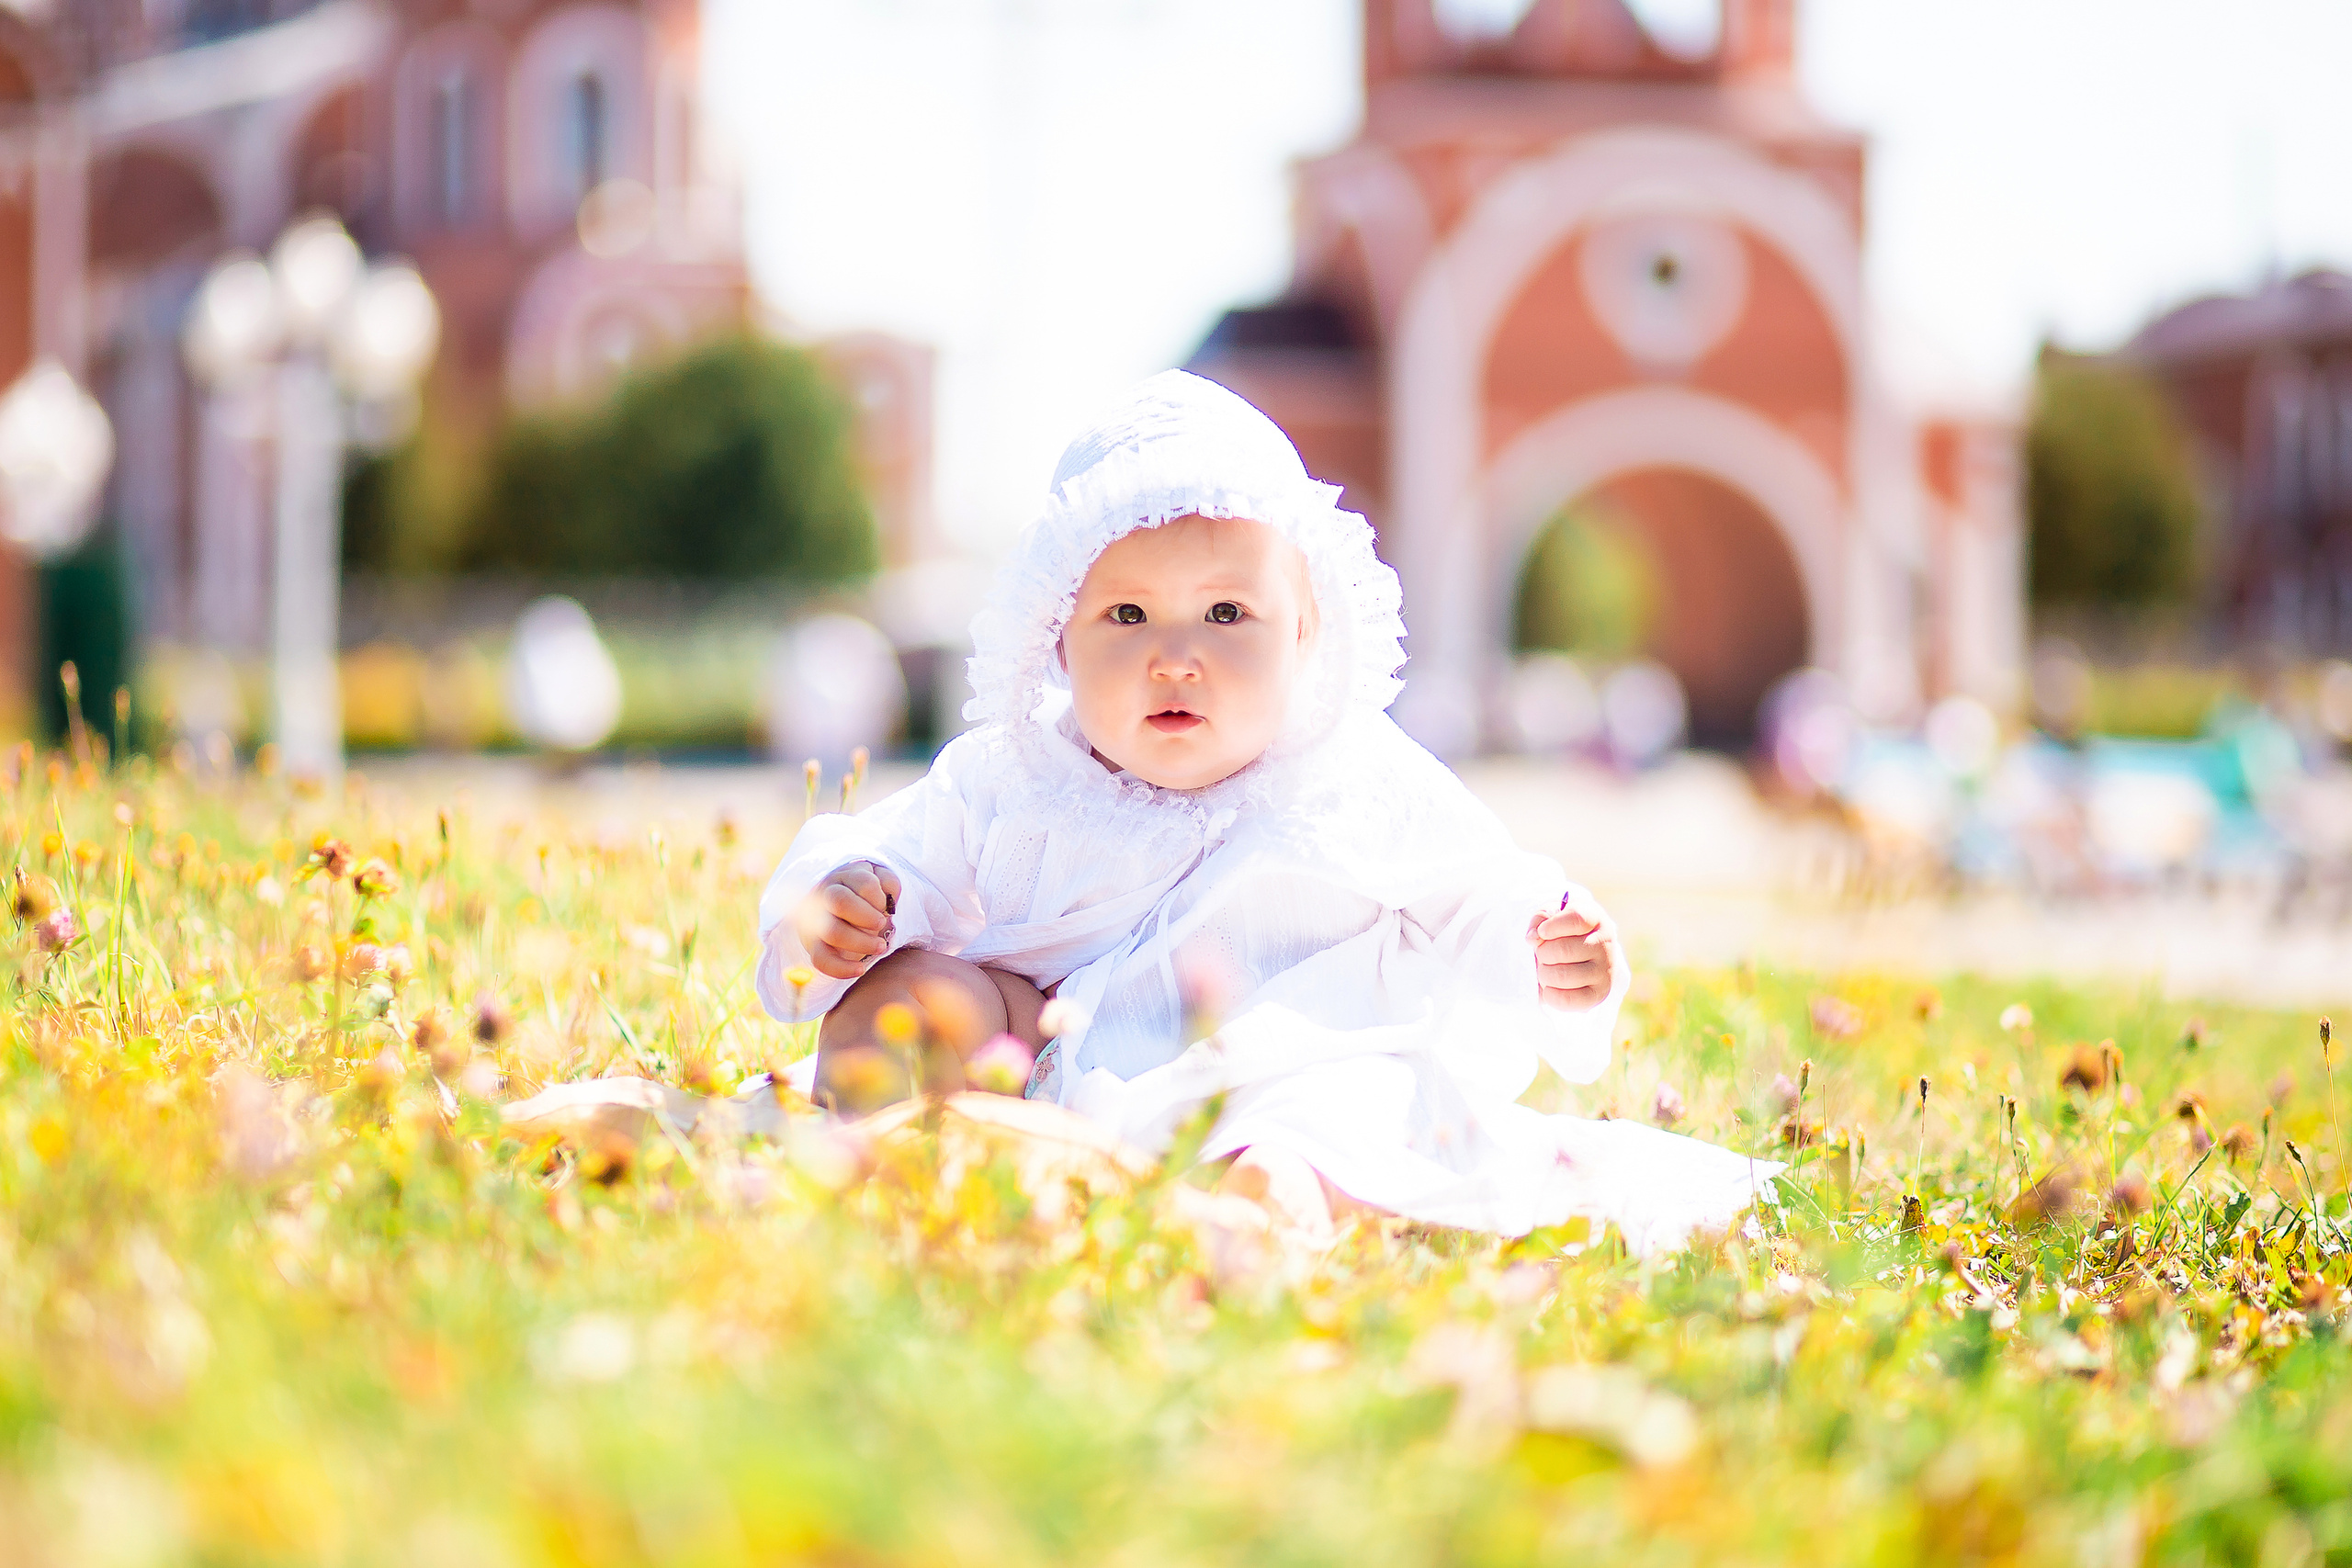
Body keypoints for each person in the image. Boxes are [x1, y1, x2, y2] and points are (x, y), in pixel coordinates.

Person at [758, 371, 1775, 1253]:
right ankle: (904, 1140)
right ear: (1057, 639)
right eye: (1125, 615)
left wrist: (1547, 942)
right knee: (917, 993)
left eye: (1226, 614)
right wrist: (845, 905)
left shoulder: (1351, 773)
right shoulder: (1017, 774)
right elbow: (898, 852)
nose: (1175, 655)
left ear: (1304, 631)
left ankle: (1270, 1210)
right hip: (1056, 1061)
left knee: (1329, 1124)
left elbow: (1478, 890)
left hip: (1291, 1060)